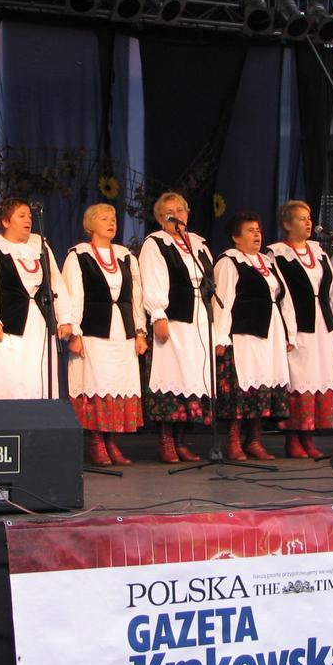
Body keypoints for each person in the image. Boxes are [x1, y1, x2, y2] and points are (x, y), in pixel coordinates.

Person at [62, 204, 147, 466]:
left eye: (113, 219)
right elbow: (73, 295)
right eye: (104, 219)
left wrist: (140, 331)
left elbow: (135, 296)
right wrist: (74, 333)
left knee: (119, 385)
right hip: (93, 331)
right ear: (90, 224)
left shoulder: (125, 256)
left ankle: (112, 441)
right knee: (95, 384)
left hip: (122, 333)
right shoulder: (79, 255)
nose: (111, 222)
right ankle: (97, 442)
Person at [213, 211, 296, 461]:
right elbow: (222, 301)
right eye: (250, 231)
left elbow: (283, 298)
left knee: (265, 382)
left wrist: (289, 334)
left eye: (258, 230)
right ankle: (233, 441)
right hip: (245, 332)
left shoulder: (267, 262)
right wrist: (220, 336)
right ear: (236, 237)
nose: (257, 235)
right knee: (243, 385)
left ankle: (254, 440)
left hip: (271, 330)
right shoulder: (229, 261)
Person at [0, 197, 72, 400]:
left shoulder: (40, 246)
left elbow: (55, 282)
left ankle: (40, 415)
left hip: (40, 323)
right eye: (22, 216)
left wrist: (65, 318)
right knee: (12, 376)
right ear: (5, 221)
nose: (28, 220)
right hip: (9, 324)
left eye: (30, 216)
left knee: (39, 374)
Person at [139, 192, 214, 463]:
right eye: (170, 212)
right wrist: (158, 315)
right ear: (160, 219)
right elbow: (152, 279)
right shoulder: (156, 243)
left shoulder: (199, 244)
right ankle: (166, 441)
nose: (176, 215)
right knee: (170, 377)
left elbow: (209, 280)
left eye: (180, 210)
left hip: (199, 318)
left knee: (192, 378)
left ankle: (181, 440)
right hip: (173, 318)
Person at [267, 200, 333, 459]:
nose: (309, 223)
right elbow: (279, 293)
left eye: (309, 217)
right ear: (287, 224)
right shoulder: (277, 254)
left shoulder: (319, 252)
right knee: (299, 379)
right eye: (302, 218)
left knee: (320, 376)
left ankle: (308, 438)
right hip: (297, 324)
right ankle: (292, 439)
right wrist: (287, 330)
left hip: (322, 323)